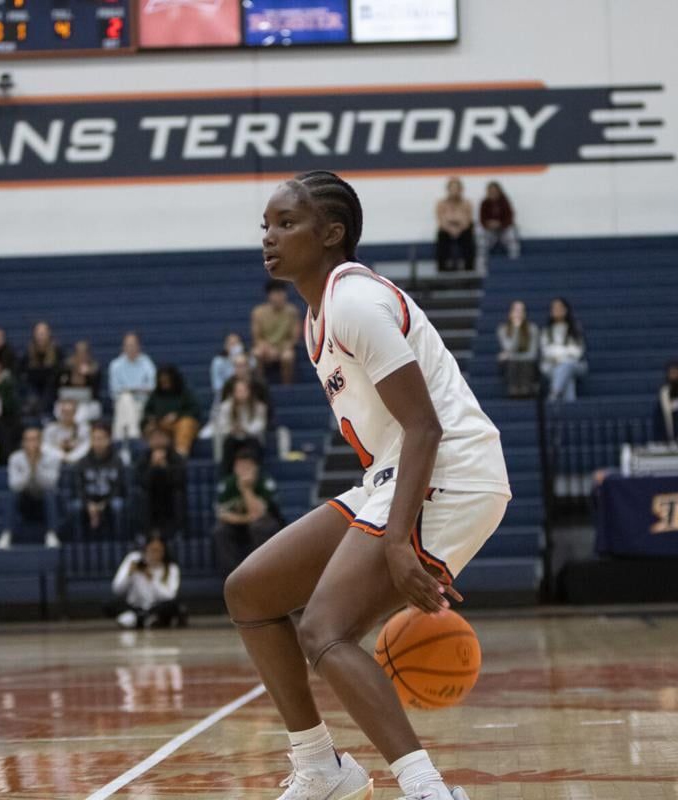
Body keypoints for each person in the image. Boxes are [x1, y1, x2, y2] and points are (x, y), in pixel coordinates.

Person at [225, 171, 510, 800]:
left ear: (332, 233)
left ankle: (427, 789)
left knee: (324, 628)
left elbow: (425, 426)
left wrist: (397, 543)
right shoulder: (316, 316)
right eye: (265, 225)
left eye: (286, 223)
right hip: (393, 471)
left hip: (451, 471)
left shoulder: (354, 300)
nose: (269, 236)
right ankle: (321, 766)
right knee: (250, 592)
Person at [212, 449, 283, 575]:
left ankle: (261, 571)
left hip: (266, 523)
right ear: (234, 468)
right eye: (240, 466)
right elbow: (221, 514)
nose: (243, 470)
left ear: (255, 468)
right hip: (239, 524)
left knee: (259, 527)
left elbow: (259, 514)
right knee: (220, 530)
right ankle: (232, 576)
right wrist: (246, 518)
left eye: (247, 466)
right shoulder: (228, 483)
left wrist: (246, 489)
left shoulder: (264, 482)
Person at [0, 426, 61, 549]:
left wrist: (36, 467)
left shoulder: (52, 458)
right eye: (28, 440)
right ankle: (6, 534)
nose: (31, 443)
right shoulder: (15, 458)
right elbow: (14, 485)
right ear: (23, 442)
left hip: (44, 502)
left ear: (41, 441)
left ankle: (52, 534)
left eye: (34, 439)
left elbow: (51, 483)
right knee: (12, 495)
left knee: (50, 493)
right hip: (25, 502)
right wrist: (29, 469)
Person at [108, 536, 187, 629]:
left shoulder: (171, 568)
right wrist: (129, 574)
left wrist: (152, 578)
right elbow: (117, 589)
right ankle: (142, 619)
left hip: (156, 607)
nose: (155, 554)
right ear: (145, 549)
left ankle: (142, 619)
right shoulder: (133, 559)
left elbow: (170, 596)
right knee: (109, 605)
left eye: (159, 550)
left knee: (176, 606)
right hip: (135, 607)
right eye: (152, 550)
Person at [72, 422, 127, 540]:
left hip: (109, 499)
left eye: (101, 438)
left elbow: (119, 487)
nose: (98, 442)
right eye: (94, 439)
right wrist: (89, 504)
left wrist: (104, 504)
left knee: (118, 505)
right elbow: (78, 487)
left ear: (108, 440)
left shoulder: (117, 461)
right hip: (88, 500)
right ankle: (79, 543)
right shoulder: (82, 462)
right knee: (76, 506)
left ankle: (119, 541)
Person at [135, 427, 188, 539]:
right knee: (141, 496)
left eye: (161, 437)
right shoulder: (144, 458)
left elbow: (179, 481)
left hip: (169, 501)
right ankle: (144, 531)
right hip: (151, 502)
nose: (158, 441)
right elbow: (142, 482)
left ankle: (178, 530)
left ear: (168, 439)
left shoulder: (176, 457)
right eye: (154, 438)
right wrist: (153, 467)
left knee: (179, 496)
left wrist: (165, 467)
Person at [143, 365, 202, 458]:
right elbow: (147, 412)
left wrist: (177, 415)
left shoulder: (185, 393)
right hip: (161, 425)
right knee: (151, 428)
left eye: (167, 381)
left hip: (181, 424)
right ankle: (154, 457)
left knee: (186, 423)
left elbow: (195, 410)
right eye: (162, 381)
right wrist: (153, 419)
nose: (164, 384)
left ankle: (180, 454)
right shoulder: (155, 395)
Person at [251, 279, 301, 384]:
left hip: (284, 348)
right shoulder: (258, 312)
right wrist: (267, 348)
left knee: (288, 357)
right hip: (266, 348)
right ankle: (260, 385)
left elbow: (294, 338)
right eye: (276, 293)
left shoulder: (292, 312)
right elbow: (257, 337)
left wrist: (280, 349)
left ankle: (287, 386)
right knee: (256, 354)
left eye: (281, 293)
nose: (279, 297)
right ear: (269, 296)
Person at [109, 331, 156, 441]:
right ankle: (134, 435)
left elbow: (153, 386)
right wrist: (137, 389)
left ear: (139, 346)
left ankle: (119, 440)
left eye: (133, 345)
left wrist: (131, 390)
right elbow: (115, 391)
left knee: (125, 406)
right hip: (121, 402)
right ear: (123, 347)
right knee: (126, 399)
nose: (130, 348)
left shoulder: (147, 363)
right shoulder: (115, 365)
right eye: (128, 345)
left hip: (143, 403)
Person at [214, 377, 268, 472]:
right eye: (238, 391)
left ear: (249, 391)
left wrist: (245, 429)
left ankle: (256, 474)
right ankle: (227, 477)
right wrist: (231, 429)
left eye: (243, 390)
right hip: (232, 437)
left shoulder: (259, 406)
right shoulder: (225, 406)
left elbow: (260, 424)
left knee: (255, 445)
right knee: (228, 444)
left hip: (250, 437)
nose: (241, 394)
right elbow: (221, 424)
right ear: (233, 392)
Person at [539, 298, 586, 403]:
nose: (557, 310)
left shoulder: (575, 328)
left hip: (575, 364)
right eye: (554, 308)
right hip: (551, 366)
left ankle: (554, 394)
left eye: (560, 308)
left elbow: (577, 352)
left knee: (567, 365)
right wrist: (565, 351)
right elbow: (546, 352)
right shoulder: (546, 330)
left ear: (566, 310)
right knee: (568, 377)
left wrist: (557, 352)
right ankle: (570, 406)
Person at [19, 321, 63, 417]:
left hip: (52, 390)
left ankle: (40, 408)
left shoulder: (57, 351)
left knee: (51, 384)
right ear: (34, 335)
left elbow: (61, 371)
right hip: (33, 388)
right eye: (39, 333)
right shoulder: (27, 352)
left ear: (49, 334)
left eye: (43, 333)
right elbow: (21, 371)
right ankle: (35, 406)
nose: (41, 336)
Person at [496, 300, 538, 398]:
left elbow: (532, 354)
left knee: (521, 362)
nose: (518, 314)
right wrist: (516, 329)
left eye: (521, 311)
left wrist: (510, 356)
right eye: (515, 311)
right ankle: (513, 390)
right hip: (511, 364)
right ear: (510, 313)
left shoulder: (533, 329)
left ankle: (525, 389)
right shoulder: (502, 329)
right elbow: (509, 348)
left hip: (528, 363)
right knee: (512, 363)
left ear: (525, 314)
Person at [435, 176, 476, 272]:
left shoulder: (466, 203)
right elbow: (440, 220)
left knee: (468, 235)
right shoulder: (441, 203)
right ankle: (442, 269)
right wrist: (450, 229)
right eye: (452, 188)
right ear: (448, 189)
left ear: (461, 190)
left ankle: (469, 269)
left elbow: (468, 220)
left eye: (457, 188)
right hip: (447, 229)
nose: (454, 191)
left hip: (462, 229)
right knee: (441, 235)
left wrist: (458, 229)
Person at [42, 398, 92, 465]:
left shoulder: (84, 429)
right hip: (55, 461)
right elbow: (45, 446)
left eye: (70, 412)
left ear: (75, 412)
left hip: (78, 462)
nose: (67, 415)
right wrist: (61, 455)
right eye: (64, 412)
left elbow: (86, 446)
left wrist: (72, 457)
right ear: (60, 412)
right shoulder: (50, 428)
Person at [478, 181, 520, 260]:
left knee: (512, 232)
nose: (493, 193)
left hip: (503, 231)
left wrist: (500, 224)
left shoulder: (505, 202)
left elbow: (510, 218)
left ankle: (514, 259)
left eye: (495, 191)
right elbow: (482, 220)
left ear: (499, 191)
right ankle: (482, 261)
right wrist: (489, 224)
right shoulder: (484, 203)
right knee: (480, 236)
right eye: (491, 191)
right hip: (490, 232)